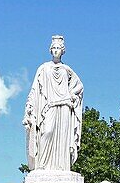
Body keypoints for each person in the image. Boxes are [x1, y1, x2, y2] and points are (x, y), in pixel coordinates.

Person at [23, 35, 83, 172]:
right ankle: (42, 165)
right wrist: (29, 109)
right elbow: (34, 90)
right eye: (54, 48)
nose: (56, 51)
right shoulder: (43, 68)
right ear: (50, 50)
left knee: (63, 138)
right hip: (49, 106)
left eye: (58, 48)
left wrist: (71, 95)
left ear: (63, 51)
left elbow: (79, 86)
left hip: (64, 107)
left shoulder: (66, 69)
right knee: (47, 132)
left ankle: (62, 167)